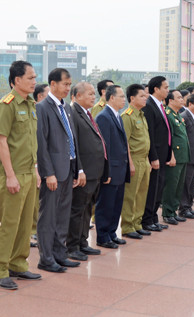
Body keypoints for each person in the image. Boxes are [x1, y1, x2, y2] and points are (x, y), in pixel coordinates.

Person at [0, 61, 41, 290]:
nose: (34, 81)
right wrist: (10, 175)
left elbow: (30, 142)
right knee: (10, 223)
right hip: (13, 174)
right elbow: (1, 141)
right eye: (30, 78)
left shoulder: (31, 104)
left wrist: (36, 170)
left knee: (26, 224)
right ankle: (0, 269)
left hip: (29, 172)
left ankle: (18, 264)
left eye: (34, 77)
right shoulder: (7, 105)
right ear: (17, 80)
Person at [37, 68, 84, 272]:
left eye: (69, 84)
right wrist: (48, 173)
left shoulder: (67, 108)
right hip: (54, 173)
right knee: (48, 217)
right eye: (65, 84)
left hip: (69, 169)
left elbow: (73, 140)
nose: (68, 88)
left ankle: (59, 253)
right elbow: (42, 143)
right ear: (53, 84)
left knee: (62, 215)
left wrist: (78, 168)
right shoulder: (42, 108)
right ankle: (46, 258)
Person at [67, 82, 108, 260]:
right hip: (84, 172)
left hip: (94, 171)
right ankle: (72, 246)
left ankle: (82, 242)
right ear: (77, 96)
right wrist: (79, 169)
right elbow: (73, 145)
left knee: (86, 209)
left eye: (93, 94)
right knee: (77, 209)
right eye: (90, 94)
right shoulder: (73, 114)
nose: (94, 97)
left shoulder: (87, 113)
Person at [94, 85, 130, 248]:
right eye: (121, 96)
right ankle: (102, 236)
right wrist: (105, 171)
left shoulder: (117, 116)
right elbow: (104, 147)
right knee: (106, 204)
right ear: (111, 98)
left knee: (116, 204)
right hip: (111, 169)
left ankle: (112, 232)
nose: (124, 99)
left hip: (120, 169)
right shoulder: (103, 117)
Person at [120, 84, 151, 239]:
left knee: (141, 194)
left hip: (144, 160)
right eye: (141, 96)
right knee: (130, 195)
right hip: (135, 160)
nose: (145, 98)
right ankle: (127, 226)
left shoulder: (141, 115)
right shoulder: (128, 116)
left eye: (145, 96)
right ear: (132, 98)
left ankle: (137, 223)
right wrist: (130, 163)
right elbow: (125, 143)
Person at [142, 76, 171, 231]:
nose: (168, 90)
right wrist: (153, 156)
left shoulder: (160, 105)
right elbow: (150, 134)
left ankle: (153, 217)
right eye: (165, 87)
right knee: (152, 188)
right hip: (155, 156)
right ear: (156, 89)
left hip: (163, 154)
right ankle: (147, 220)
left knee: (159, 188)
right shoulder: (149, 106)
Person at [162, 90, 190, 224]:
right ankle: (167, 213)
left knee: (179, 186)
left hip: (182, 156)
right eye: (178, 98)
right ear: (170, 100)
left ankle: (173, 211)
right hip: (175, 157)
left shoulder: (177, 115)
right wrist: (171, 155)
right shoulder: (168, 115)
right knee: (171, 186)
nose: (181, 99)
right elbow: (169, 138)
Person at [30, 83, 49, 247]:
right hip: (31, 164)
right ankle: (31, 232)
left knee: (38, 201)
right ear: (40, 97)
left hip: (41, 162)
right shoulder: (36, 110)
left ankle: (35, 230)